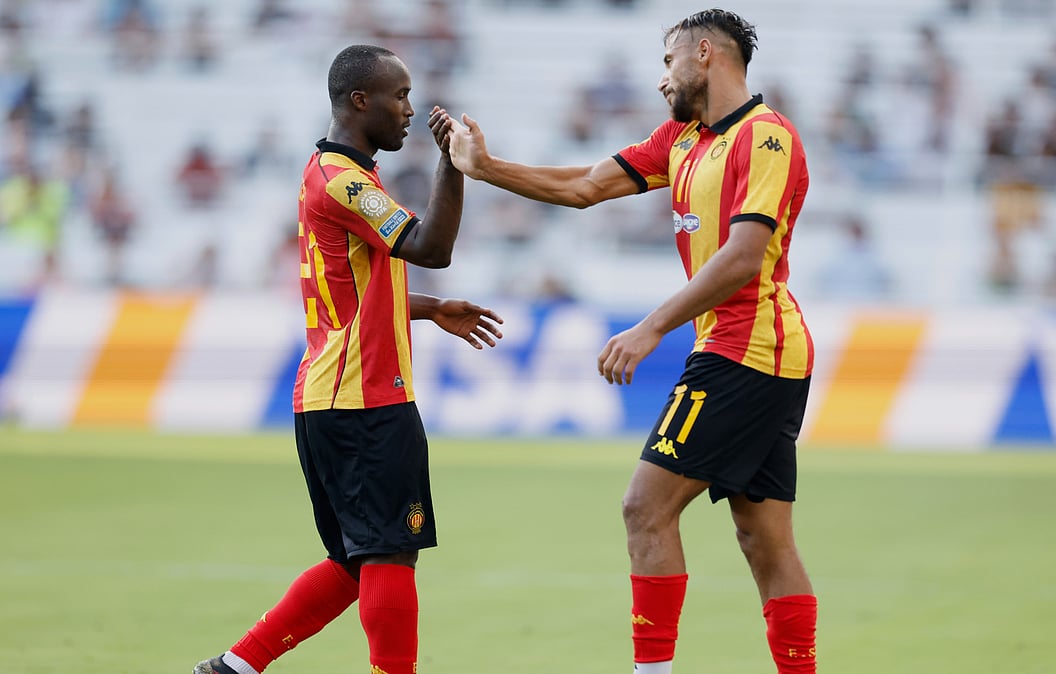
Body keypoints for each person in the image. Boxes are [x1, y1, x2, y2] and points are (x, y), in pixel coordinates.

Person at [443, 8, 818, 673]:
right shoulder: (682, 138)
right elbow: (586, 186)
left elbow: (743, 256)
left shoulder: (767, 139)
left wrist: (650, 328)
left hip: (747, 348)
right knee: (763, 539)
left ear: (705, 54)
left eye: (668, 61)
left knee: (645, 507)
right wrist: (486, 167)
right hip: (755, 353)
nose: (661, 79)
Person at [192, 44, 503, 674]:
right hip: (362, 401)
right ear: (361, 101)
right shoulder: (346, 182)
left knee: (354, 560)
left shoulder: (328, 173)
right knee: (388, 553)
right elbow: (432, 245)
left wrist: (429, 307)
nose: (410, 110)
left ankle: (234, 667)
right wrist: (454, 162)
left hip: (334, 397)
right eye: (400, 96)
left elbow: (352, 293)